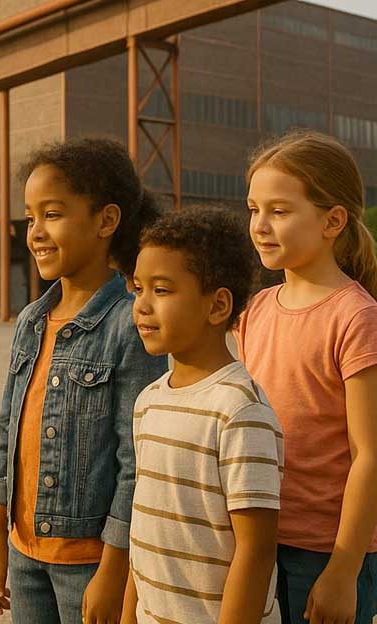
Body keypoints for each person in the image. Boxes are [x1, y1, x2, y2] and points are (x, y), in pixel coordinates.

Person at [0, 137, 168, 624]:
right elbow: (7, 436)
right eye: (29, 218)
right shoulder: (30, 323)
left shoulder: (130, 326)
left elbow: (136, 462)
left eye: (53, 214)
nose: (36, 232)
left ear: (106, 221)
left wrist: (115, 569)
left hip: (89, 561)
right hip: (24, 553)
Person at [238, 130, 377, 624]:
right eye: (254, 209)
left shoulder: (355, 317)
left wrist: (344, 569)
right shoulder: (255, 309)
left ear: (332, 220)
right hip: (258, 540)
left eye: (279, 210)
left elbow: (370, 455)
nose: (260, 225)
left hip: (326, 551)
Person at [124, 206, 282, 624]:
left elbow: (256, 549)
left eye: (161, 290)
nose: (141, 306)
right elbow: (143, 529)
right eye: (138, 288)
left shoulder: (239, 409)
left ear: (217, 306)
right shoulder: (149, 401)